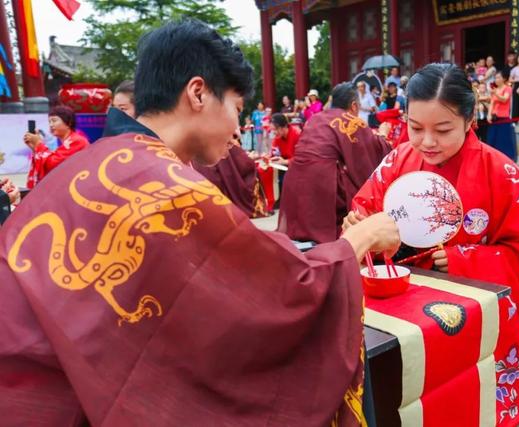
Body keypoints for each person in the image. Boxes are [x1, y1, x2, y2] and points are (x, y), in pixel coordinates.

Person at [0, 19, 401, 426]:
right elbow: (277, 289)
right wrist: (359, 238)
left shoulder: (97, 162)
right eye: (237, 109)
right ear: (197, 93)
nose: (238, 128)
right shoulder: (158, 182)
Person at [345, 63, 519, 426]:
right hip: (402, 291)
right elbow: (366, 203)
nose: (427, 142)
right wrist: (359, 222)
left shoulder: (502, 174)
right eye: (415, 128)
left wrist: (465, 259)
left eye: (443, 130)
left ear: (470, 119)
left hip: (469, 300)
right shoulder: (398, 160)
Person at [278, 82, 393, 243]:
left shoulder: (316, 118)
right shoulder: (351, 120)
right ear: (354, 106)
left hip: (294, 178)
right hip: (322, 180)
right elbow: (369, 153)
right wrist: (383, 135)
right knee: (360, 191)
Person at [23, 105, 90, 188]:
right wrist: (35, 148)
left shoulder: (77, 141)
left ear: (68, 122)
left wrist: (38, 144)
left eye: (54, 121)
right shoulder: (68, 142)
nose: (51, 125)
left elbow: (52, 165)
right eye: (49, 122)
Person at [487, 70, 517, 161]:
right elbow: (492, 103)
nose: (496, 79)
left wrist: (495, 93)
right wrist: (489, 115)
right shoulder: (495, 90)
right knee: (492, 139)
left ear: (503, 78)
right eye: (495, 78)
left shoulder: (507, 88)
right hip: (494, 118)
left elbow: (504, 99)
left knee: (504, 140)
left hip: (503, 118)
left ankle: (506, 159)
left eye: (498, 77)